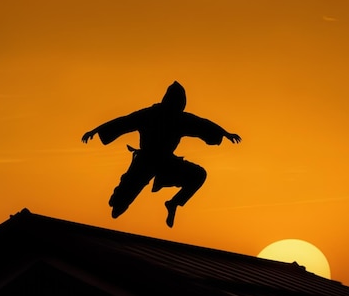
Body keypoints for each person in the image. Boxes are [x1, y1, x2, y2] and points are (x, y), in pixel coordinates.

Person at [82, 81, 241, 227]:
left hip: (165, 162)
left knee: (198, 175)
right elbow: (125, 121)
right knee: (118, 206)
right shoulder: (152, 114)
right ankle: (119, 199)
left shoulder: (179, 118)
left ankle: (173, 203)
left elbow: (203, 123)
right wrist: (95, 130)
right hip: (146, 161)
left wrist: (226, 133)